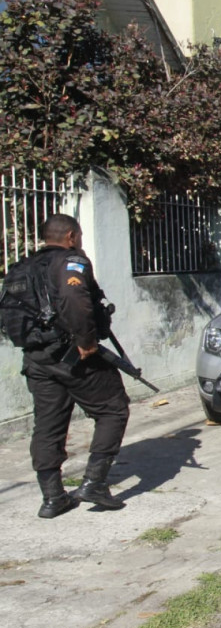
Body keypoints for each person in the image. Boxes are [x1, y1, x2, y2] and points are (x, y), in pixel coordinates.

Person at [14, 215, 130, 518]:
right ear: (70, 236)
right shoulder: (71, 262)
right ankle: (94, 482)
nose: (79, 240)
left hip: (37, 358)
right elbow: (73, 298)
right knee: (113, 408)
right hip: (72, 354)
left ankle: (53, 497)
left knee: (48, 424)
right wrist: (86, 342)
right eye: (78, 235)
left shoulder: (23, 268)